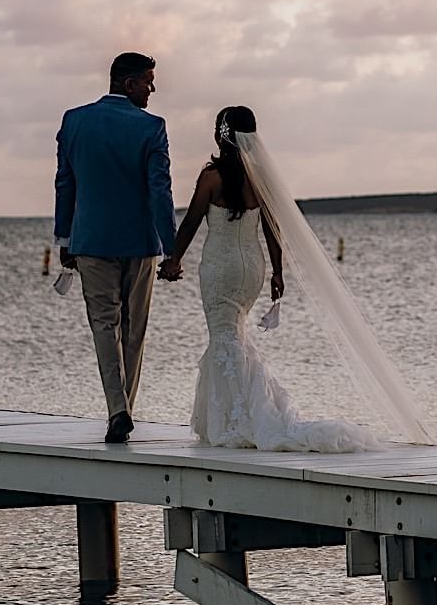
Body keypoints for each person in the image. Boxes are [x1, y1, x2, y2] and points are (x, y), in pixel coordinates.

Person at [161, 106, 423, 451]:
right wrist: (277, 271)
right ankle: (234, 413)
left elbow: (192, 220)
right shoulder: (260, 177)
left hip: (220, 269)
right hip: (252, 268)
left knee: (225, 337)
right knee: (233, 337)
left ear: (222, 135)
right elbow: (272, 226)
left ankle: (237, 419)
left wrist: (173, 259)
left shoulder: (212, 176)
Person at [55, 52, 178, 443]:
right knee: (133, 330)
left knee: (103, 326)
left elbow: (64, 185)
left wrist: (64, 238)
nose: (152, 89)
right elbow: (160, 192)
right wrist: (171, 248)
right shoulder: (152, 128)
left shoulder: (74, 121)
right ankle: (125, 408)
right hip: (139, 242)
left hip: (90, 239)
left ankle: (117, 409)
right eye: (148, 81)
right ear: (129, 84)